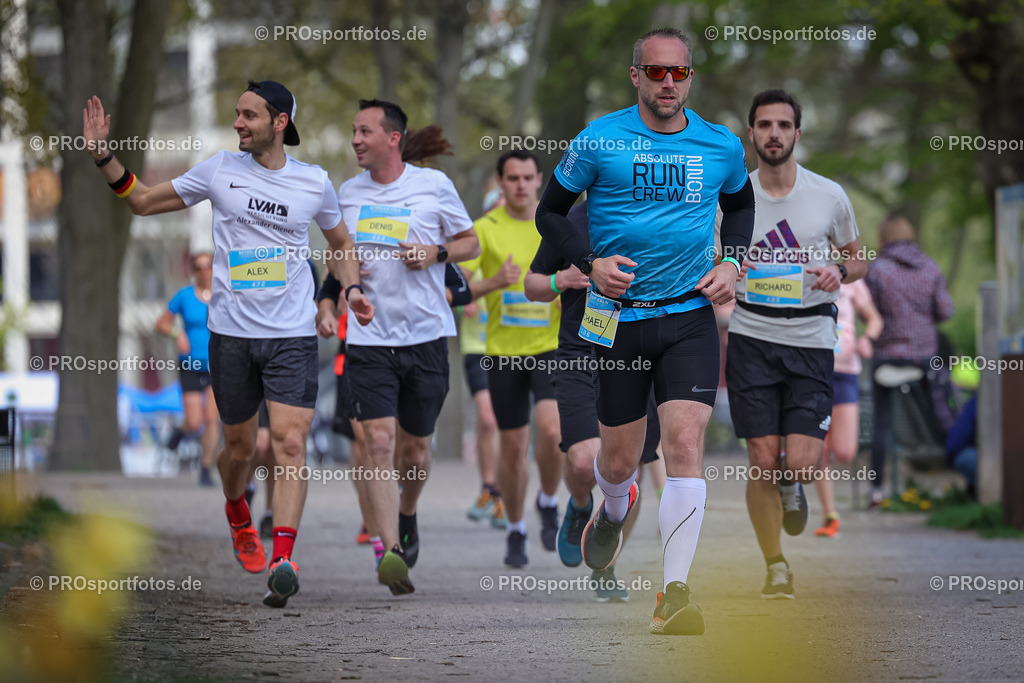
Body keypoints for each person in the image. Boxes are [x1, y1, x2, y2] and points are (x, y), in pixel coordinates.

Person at [82, 80, 372, 609]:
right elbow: (144, 202)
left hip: (291, 334)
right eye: (237, 114)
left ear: (279, 122)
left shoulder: (314, 183)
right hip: (231, 336)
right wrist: (103, 155)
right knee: (238, 450)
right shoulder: (218, 170)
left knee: (288, 444)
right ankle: (237, 509)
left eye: (249, 115)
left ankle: (283, 559)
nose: (238, 123)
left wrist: (350, 287)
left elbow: (341, 244)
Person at [535, 28, 755, 635]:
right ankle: (611, 505)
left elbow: (739, 206)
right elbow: (549, 210)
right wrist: (589, 263)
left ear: (690, 78)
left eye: (677, 73)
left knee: (684, 446)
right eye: (654, 72)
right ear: (635, 76)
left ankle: (675, 593)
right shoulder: (598, 139)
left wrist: (731, 262)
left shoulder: (720, 145)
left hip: (688, 316)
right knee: (620, 459)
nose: (667, 83)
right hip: (617, 320)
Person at [727, 89, 868, 599]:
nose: (773, 134)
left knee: (804, 463)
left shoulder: (828, 195)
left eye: (783, 125)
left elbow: (860, 259)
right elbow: (707, 259)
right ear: (751, 134)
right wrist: (725, 270)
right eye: (763, 125)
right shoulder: (733, 197)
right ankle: (776, 565)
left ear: (797, 134)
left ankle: (794, 482)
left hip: (811, 338)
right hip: (752, 335)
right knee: (760, 459)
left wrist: (838, 269)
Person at [339, 99, 479, 595]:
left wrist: (435, 253)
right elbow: (340, 255)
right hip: (368, 338)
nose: (355, 139)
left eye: (364, 131)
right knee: (376, 442)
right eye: (353, 131)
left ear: (393, 138)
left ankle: (408, 511)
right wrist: (351, 288)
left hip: (425, 337)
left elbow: (471, 243)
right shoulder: (348, 194)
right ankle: (392, 551)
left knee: (414, 452)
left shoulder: (432, 186)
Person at [526, 200, 664, 601]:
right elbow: (531, 285)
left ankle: (607, 563)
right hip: (579, 353)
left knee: (628, 469)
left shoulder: (662, 214)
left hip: (642, 353)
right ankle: (581, 504)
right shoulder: (570, 217)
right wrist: (559, 281)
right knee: (585, 462)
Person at [464, 150, 563, 568]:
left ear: (539, 180)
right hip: (502, 353)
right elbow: (463, 291)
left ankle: (548, 500)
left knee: (552, 429)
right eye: (512, 178)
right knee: (512, 447)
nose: (521, 185)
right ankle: (517, 528)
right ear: (500, 183)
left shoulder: (554, 226)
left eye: (527, 177)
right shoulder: (483, 230)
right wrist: (496, 281)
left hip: (549, 346)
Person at [864, 215, 955, 505]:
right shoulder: (930, 266)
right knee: (938, 412)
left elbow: (869, 313)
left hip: (887, 359)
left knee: (881, 422)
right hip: (925, 359)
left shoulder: (877, 269)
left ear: (883, 239)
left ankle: (876, 490)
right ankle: (954, 475)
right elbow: (945, 312)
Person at [812, 281, 883, 538]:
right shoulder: (802, 269)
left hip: (845, 373)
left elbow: (874, 319)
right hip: (810, 371)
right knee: (817, 450)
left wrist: (868, 339)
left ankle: (817, 448)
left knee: (845, 451)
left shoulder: (852, 280)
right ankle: (830, 515)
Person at [155, 252, 220, 487]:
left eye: (208, 266)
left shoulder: (224, 294)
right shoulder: (184, 296)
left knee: (212, 419)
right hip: (190, 364)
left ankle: (205, 468)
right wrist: (177, 333)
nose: (204, 271)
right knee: (194, 421)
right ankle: (178, 435)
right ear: (193, 271)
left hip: (217, 364)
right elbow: (161, 323)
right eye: (199, 267)